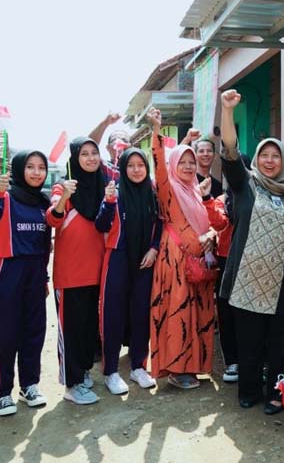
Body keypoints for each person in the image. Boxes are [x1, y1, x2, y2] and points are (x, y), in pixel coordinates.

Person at [219, 89, 284, 414]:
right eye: (265, 155)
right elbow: (229, 149)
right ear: (257, 159)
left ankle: (276, 393)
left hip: (280, 281)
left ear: (283, 161)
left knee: (279, 343)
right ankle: (250, 389)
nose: (270, 161)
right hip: (246, 278)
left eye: (276, 157)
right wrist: (227, 111)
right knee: (250, 340)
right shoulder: (245, 184)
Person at [0, 151, 52, 416]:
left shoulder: (43, 202)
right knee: (7, 333)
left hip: (36, 272)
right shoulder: (3, 197)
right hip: (7, 270)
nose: (36, 172)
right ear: (20, 169)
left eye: (41, 167)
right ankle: (2, 392)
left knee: (34, 331)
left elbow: (44, 244)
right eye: (30, 167)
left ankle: (29, 385)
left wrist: (45, 279)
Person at [146, 109, 217, 390]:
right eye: (183, 162)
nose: (188, 167)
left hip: (198, 261)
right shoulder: (169, 189)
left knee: (197, 314)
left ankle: (193, 365)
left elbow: (207, 222)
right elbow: (158, 164)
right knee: (177, 312)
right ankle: (176, 369)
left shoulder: (195, 190)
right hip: (175, 261)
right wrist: (155, 131)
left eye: (192, 162)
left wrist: (210, 234)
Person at [94, 148, 161, 394]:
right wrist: (108, 203)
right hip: (118, 258)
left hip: (145, 261)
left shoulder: (152, 194)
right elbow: (101, 224)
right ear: (123, 168)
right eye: (130, 165)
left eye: (140, 165)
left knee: (141, 313)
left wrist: (154, 248)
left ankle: (138, 366)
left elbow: (161, 223)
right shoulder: (116, 193)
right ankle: (111, 371)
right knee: (113, 314)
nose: (136, 170)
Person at [46, 137, 106, 405]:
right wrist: (64, 198)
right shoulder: (64, 185)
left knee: (87, 328)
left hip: (96, 272)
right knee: (71, 330)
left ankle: (81, 373)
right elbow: (52, 218)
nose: (91, 158)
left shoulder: (103, 186)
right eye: (84, 153)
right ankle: (71, 384)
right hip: (70, 275)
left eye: (94, 153)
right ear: (75, 158)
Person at [200, 176, 238, 383]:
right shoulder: (222, 200)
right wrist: (207, 198)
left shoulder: (256, 198)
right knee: (226, 311)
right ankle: (232, 360)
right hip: (226, 260)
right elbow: (220, 222)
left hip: (250, 259)